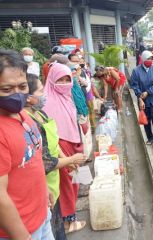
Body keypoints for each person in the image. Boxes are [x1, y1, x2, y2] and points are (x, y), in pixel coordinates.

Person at [25, 73, 86, 239]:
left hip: (52, 184)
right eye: (40, 91)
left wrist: (67, 160)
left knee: (57, 227)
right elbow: (45, 162)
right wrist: (71, 159)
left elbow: (53, 141)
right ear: (28, 97)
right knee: (51, 229)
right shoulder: (28, 122)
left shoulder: (41, 114)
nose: (43, 94)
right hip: (43, 184)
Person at [0, 49, 53, 239]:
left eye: (22, 87)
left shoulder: (23, 115)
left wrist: (44, 190)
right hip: (20, 231)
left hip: (42, 217)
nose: (17, 94)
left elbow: (33, 158)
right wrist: (22, 236)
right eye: (7, 89)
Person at [43, 63, 86, 234]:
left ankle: (70, 216)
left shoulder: (67, 96)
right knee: (67, 184)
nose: (64, 83)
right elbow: (51, 134)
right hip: (61, 147)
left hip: (74, 143)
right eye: (59, 80)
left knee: (76, 181)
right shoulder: (47, 101)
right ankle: (69, 221)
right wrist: (66, 156)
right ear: (51, 80)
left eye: (67, 79)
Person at [131, 50, 153, 147]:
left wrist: (148, 92)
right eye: (148, 59)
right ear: (143, 59)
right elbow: (134, 85)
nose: (150, 60)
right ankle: (149, 138)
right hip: (142, 101)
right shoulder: (136, 71)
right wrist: (140, 95)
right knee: (146, 120)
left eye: (151, 59)